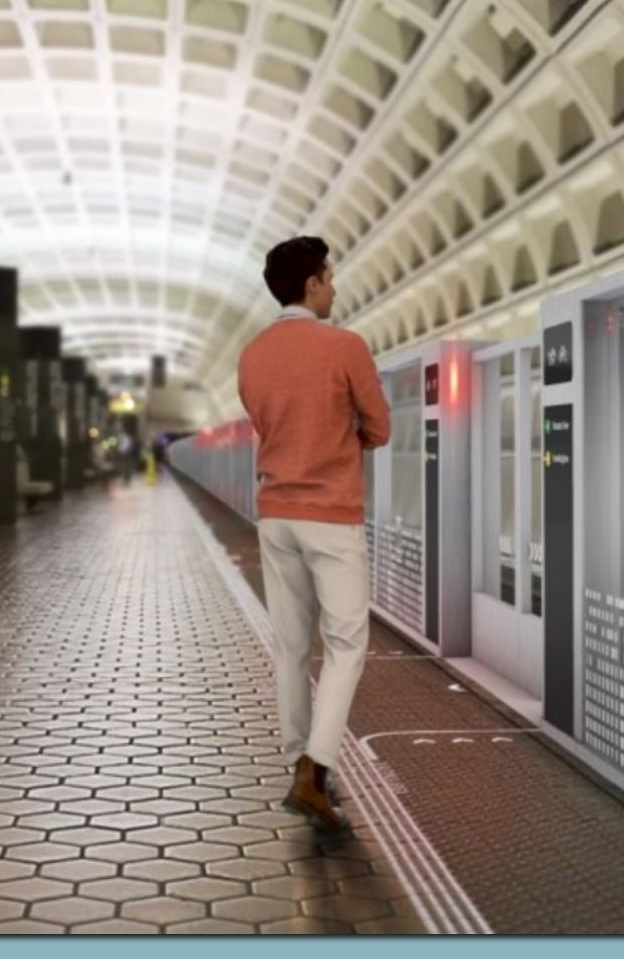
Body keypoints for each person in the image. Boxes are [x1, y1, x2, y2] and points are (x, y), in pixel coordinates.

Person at [235, 236, 389, 832]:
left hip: (275, 513)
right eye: (328, 277)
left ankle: (297, 758)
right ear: (311, 286)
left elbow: (263, 420)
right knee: (347, 643)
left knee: (293, 647)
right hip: (331, 514)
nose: (334, 287)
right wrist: (342, 443)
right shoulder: (345, 345)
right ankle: (315, 770)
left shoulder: (251, 355)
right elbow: (378, 426)